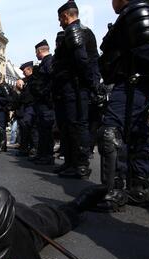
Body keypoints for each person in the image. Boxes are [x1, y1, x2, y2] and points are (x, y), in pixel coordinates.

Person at [96, 0, 149, 212]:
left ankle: (113, 191)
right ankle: (138, 187)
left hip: (134, 81)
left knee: (111, 130)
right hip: (137, 81)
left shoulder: (137, 11)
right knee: (137, 132)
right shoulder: (137, 12)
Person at [51, 1, 101, 179]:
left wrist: (90, 85)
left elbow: (81, 60)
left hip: (77, 86)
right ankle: (71, 162)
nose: (59, 23)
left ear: (66, 16)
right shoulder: (80, 30)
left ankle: (80, 165)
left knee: (77, 124)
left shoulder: (74, 30)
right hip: (73, 86)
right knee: (69, 125)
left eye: (60, 19)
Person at [32, 40, 56, 165]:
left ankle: (47, 155)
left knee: (46, 129)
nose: (36, 55)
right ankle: (41, 154)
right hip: (41, 101)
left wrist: (44, 92)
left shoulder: (49, 62)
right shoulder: (44, 63)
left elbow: (53, 80)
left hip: (46, 102)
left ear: (40, 51)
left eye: (36, 52)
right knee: (41, 129)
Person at [16, 62, 39, 158]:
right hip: (27, 106)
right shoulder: (27, 80)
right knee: (27, 127)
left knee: (31, 127)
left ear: (30, 69)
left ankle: (34, 148)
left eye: (24, 71)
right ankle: (27, 148)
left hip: (32, 105)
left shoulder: (34, 79)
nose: (23, 73)